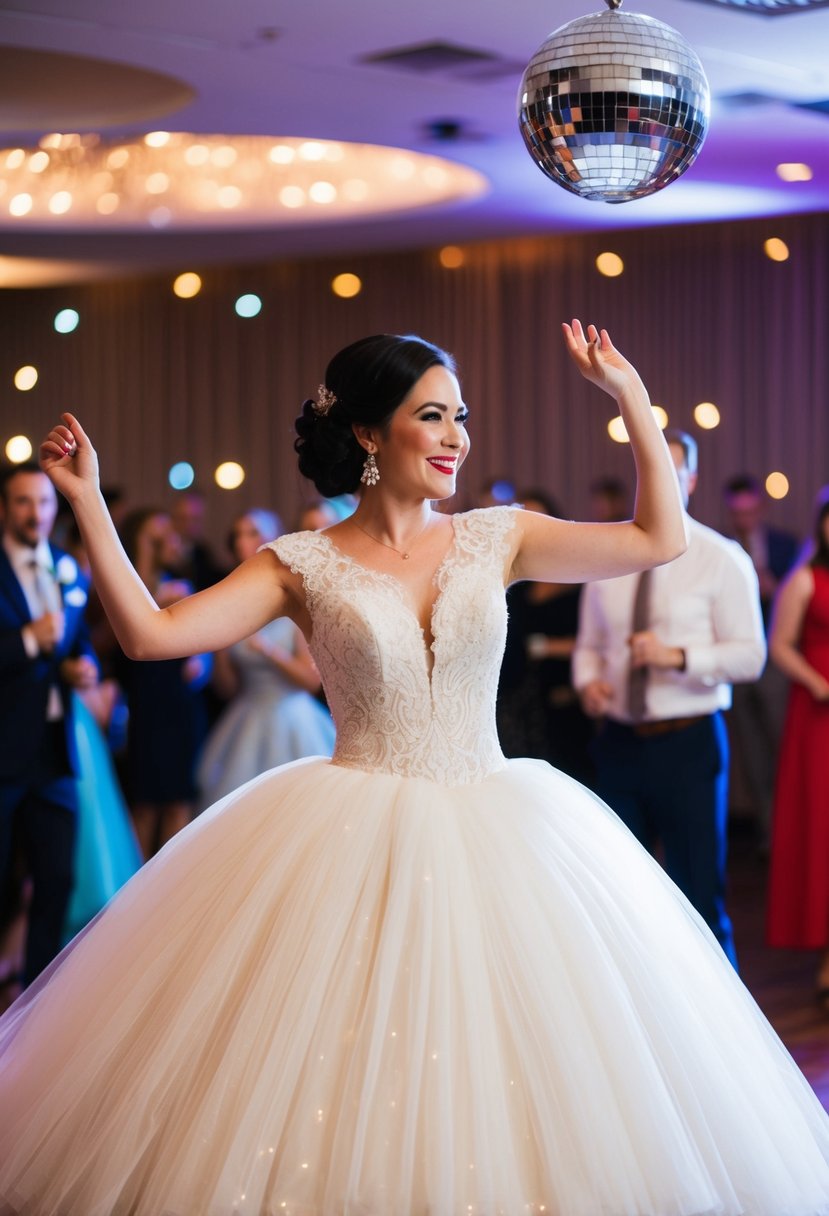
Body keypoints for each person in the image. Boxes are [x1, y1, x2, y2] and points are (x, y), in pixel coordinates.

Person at [2, 326, 829, 1215]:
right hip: (347, 827)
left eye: (459, 417)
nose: (455, 438)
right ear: (367, 432)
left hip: (502, 817)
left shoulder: (496, 536)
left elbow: (658, 537)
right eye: (431, 417)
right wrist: (86, 501)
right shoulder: (302, 563)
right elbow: (150, 635)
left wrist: (627, 393)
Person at [573, 430, 765, 967]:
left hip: (688, 744)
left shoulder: (722, 560)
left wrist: (679, 657)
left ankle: (718, 1035)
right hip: (616, 744)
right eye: (647, 469)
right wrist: (590, 682)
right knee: (617, 892)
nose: (656, 480)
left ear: (691, 480)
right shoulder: (607, 555)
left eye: (670, 469)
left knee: (699, 894)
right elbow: (589, 646)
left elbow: (750, 657)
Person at [0, 464, 98, 994]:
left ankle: (35, 998)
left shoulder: (67, 566)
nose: (35, 513)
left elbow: (77, 640)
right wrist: (28, 642)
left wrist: (83, 665)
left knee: (57, 878)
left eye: (42, 502)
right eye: (22, 502)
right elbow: (34, 643)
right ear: (3, 508)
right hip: (3, 750)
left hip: (54, 751)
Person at [196, 508, 335, 806]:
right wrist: (219, 650)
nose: (242, 542)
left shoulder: (296, 598)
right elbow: (227, 688)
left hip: (292, 716)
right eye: (238, 535)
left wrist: (267, 651)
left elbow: (310, 680)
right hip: (246, 713)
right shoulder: (227, 598)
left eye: (253, 533)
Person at [116, 507, 212, 857]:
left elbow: (205, 633)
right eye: (154, 538)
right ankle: (136, 892)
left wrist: (203, 658)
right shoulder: (127, 585)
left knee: (177, 800)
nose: (166, 543)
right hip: (145, 702)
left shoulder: (182, 583)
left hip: (179, 703)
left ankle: (173, 888)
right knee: (144, 803)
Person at [766, 494, 829, 998]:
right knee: (821, 834)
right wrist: (817, 683)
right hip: (819, 720)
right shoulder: (807, 579)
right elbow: (779, 645)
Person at [722, 473, 800, 846]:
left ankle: (795, 836)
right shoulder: (722, 549)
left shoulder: (786, 546)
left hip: (777, 661)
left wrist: (774, 586)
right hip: (737, 665)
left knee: (783, 748)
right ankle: (771, 839)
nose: (744, 520)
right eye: (738, 514)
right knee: (753, 758)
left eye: (750, 512)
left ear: (761, 508)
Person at [497, 489, 594, 782]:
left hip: (562, 697)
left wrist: (547, 647)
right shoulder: (514, 586)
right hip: (516, 699)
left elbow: (595, 642)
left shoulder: (577, 583)